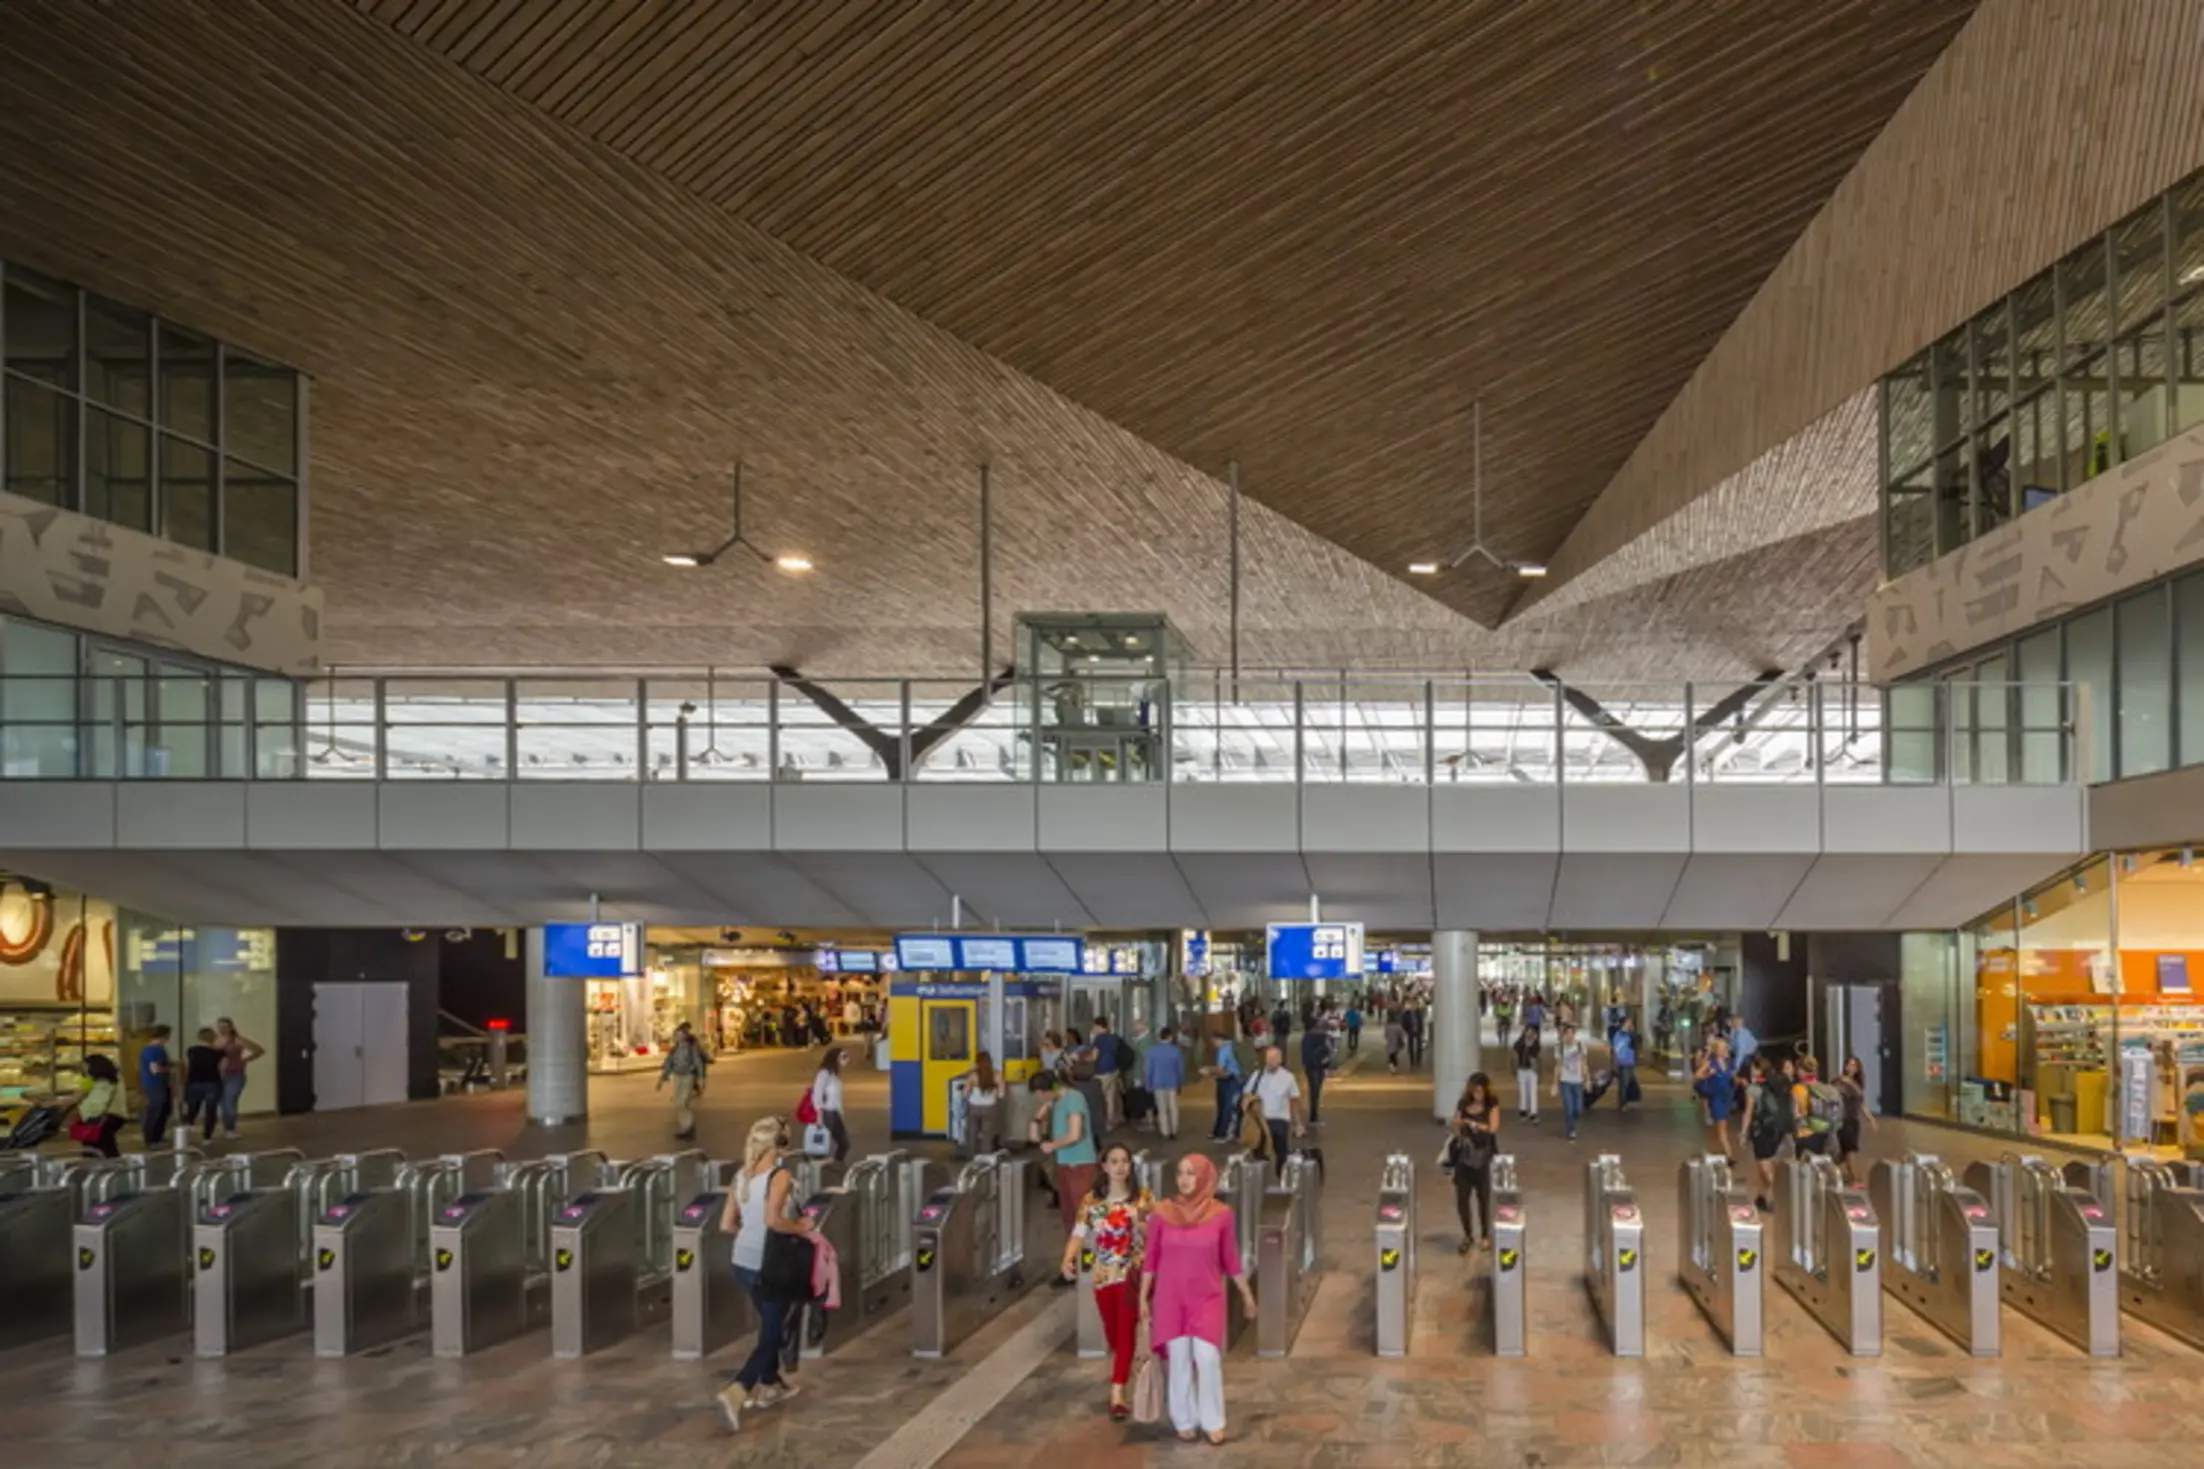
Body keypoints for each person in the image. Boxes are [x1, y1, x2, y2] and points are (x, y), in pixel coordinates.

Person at [1141, 1153, 1257, 1445]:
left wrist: (1246, 1295)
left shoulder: (1221, 1214)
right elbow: (1151, 1260)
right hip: (1170, 1299)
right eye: (1180, 1173)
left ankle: (1213, 1419)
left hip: (1207, 1298)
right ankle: (1184, 1418)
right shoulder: (1162, 1213)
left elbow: (1230, 1260)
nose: (1184, 1179)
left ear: (1205, 1177)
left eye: (1191, 1173)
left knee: (1207, 1358)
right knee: (1178, 1360)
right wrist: (1144, 1297)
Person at [716, 1116, 816, 1432]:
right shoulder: (779, 1176)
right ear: (780, 1144)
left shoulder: (740, 1177)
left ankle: (772, 1384)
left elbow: (726, 1225)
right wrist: (800, 1227)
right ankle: (738, 1389)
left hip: (741, 1263)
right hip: (768, 1264)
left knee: (772, 1319)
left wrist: (750, 1232)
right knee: (773, 1331)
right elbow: (774, 1220)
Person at [1056, 1143, 1154, 1421]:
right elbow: (1078, 1232)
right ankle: (1124, 1367)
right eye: (1114, 1161)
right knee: (1113, 1332)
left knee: (1124, 1329)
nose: (1120, 1166)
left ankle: (1117, 1393)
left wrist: (1140, 1223)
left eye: (1124, 1161)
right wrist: (1067, 1258)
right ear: (1104, 1167)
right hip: (1101, 1276)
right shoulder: (1092, 1202)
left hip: (1131, 1275)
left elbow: (1156, 1234)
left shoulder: (1143, 1199)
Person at [1031, 1070, 1098, 1230]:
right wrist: (1037, 1118)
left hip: (1080, 1162)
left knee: (1081, 1212)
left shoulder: (1074, 1098)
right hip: (1063, 1162)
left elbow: (1075, 1134)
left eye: (1040, 1094)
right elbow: (1034, 1137)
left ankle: (1087, 1250)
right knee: (1068, 1214)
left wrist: (1052, 1145)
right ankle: (1073, 1251)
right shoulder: (1056, 1103)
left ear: (1046, 1090)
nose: (1040, 1098)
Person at [1448, 1072, 1502, 1254]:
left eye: (1480, 1091)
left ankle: (1485, 1235)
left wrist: (1475, 1124)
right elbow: (1455, 1126)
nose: (1477, 1094)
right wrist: (1458, 1125)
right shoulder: (1463, 1104)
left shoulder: (1491, 1104)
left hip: (1484, 1157)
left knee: (1484, 1198)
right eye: (1474, 1090)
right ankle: (1467, 1235)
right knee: (1462, 1198)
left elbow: (1494, 1128)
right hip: (1464, 1157)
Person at [1743, 1055, 1790, 1213]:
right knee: (1765, 1163)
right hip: (1778, 1129)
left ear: (1757, 1070)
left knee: (1764, 1164)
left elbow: (1748, 1113)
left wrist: (1743, 1133)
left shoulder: (1753, 1088)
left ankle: (1775, 1196)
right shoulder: (1778, 1085)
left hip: (1761, 1131)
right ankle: (1762, 1196)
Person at [1245, 1047, 1304, 1162]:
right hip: (1260, 1121)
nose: (1271, 1062)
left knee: (1281, 1152)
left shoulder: (1288, 1077)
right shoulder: (1257, 1075)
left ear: (1280, 1060)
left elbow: (1294, 1100)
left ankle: (1281, 1173)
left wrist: (1298, 1123)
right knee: (1258, 1153)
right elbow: (1247, 1094)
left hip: (1279, 1120)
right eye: (1269, 1058)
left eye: (1274, 1058)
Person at [211, 1017, 264, 1141]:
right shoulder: (215, 1040)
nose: (222, 1029)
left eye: (225, 1026)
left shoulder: (238, 1040)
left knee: (229, 1100)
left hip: (235, 1075)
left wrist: (245, 1060)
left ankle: (230, 1129)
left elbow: (258, 1050)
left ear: (231, 1027)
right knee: (222, 1103)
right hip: (218, 1075)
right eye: (220, 1026)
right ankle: (224, 1127)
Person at [657, 1021, 710, 1140]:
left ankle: (689, 1126)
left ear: (685, 1036)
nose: (678, 1037)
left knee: (682, 1102)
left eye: (680, 1034)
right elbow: (668, 1064)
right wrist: (661, 1079)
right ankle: (685, 1127)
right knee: (678, 1102)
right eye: (676, 1035)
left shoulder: (691, 1048)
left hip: (688, 1076)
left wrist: (701, 1078)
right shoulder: (674, 1049)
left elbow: (698, 1063)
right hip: (677, 1076)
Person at [1836, 1054, 1878, 1185]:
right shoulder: (1839, 1082)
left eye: (1854, 1065)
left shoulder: (1857, 1085)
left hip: (1853, 1120)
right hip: (1843, 1119)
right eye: (1849, 1064)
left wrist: (1870, 1118)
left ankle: (1831, 1170)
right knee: (1850, 1149)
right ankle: (1854, 1177)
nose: (1851, 1067)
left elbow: (1861, 1104)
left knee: (1845, 1152)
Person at [180, 1027, 225, 1143]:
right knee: (210, 1110)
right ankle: (207, 1136)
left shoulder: (191, 1050)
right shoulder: (219, 1053)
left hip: (194, 1082)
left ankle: (187, 1130)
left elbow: (188, 1065)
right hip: (212, 1082)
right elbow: (223, 1068)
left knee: (192, 1108)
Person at [1792, 1055, 1842, 1161]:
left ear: (1801, 1070)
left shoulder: (1798, 1088)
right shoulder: (1827, 1089)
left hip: (1805, 1132)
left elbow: (1795, 1112)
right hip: (1825, 1132)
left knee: (1805, 1170)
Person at [1694, 1037, 1736, 1160]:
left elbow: (1732, 1077)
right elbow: (1697, 1075)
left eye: (1724, 1048)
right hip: (1716, 1097)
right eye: (1720, 1048)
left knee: (1722, 1125)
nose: (1723, 1051)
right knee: (1721, 1125)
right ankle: (1729, 1153)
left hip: (1726, 1096)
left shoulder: (1729, 1063)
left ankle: (1717, 1149)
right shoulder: (1711, 1063)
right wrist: (1708, 1074)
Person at [809, 1047, 850, 1164]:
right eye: (843, 1057)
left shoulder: (834, 1075)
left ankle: (835, 1163)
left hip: (834, 1112)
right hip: (827, 1113)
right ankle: (822, 1166)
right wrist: (819, 1114)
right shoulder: (824, 1073)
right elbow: (817, 1092)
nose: (845, 1060)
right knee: (825, 1142)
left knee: (843, 1143)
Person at [1145, 1026, 1186, 1140]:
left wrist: (1148, 1084)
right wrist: (1180, 1083)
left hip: (1157, 1083)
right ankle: (1174, 1130)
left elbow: (1149, 1070)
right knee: (1173, 1107)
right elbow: (1180, 1070)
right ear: (1170, 1037)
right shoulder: (1176, 1051)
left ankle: (1165, 1131)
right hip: (1172, 1082)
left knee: (1161, 1108)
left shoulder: (1152, 1051)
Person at [138, 1023, 173, 1148]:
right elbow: (155, 1069)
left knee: (161, 1110)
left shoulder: (147, 1049)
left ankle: (157, 1136)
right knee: (156, 1111)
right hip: (156, 1083)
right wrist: (170, 1069)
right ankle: (152, 1138)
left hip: (151, 1083)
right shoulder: (156, 1050)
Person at [961, 1050, 1003, 1156]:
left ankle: (972, 1158)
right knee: (987, 1135)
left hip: (974, 1107)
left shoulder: (973, 1075)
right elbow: (1002, 1094)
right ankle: (986, 1160)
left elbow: (965, 1093)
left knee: (972, 1133)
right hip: (990, 1107)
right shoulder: (997, 1075)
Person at [1205, 1031, 1245, 1141]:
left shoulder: (1223, 1050)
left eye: (1214, 1041)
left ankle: (1223, 1133)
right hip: (1239, 1080)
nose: (1213, 1044)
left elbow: (1220, 1069)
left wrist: (1208, 1070)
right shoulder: (1234, 1046)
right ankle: (1235, 1133)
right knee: (1235, 1107)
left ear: (1218, 1039)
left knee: (1227, 1107)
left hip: (1230, 1080)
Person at [1552, 1022, 1588, 1142]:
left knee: (1578, 1108)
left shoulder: (1580, 1046)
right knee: (1569, 1107)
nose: (1569, 1036)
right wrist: (1555, 1084)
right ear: (1563, 1035)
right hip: (1565, 1081)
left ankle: (1573, 1120)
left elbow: (1584, 1063)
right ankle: (1571, 1130)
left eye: (1571, 1034)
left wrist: (1587, 1079)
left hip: (1578, 1081)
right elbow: (1558, 1066)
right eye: (1567, 1034)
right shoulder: (1560, 1047)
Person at [1090, 1017, 1125, 1131]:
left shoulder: (1099, 1039)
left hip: (1101, 1071)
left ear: (1099, 1026)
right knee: (1110, 1098)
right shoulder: (1114, 1038)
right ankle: (1110, 1123)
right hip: (1114, 1070)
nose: (1093, 1029)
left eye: (1094, 1026)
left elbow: (1094, 1057)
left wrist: (1082, 1057)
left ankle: (1100, 1122)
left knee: (1099, 1097)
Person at [1298, 1018, 1333, 1128]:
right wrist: (1325, 1064)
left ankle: (1313, 1116)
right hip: (1318, 1066)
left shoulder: (1306, 1038)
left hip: (1310, 1067)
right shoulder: (1322, 1037)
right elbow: (1328, 1050)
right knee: (1315, 1092)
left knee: (1314, 1092)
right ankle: (1313, 1117)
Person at [1511, 1021, 1542, 1123]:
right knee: (1523, 1092)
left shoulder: (1536, 1044)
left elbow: (1537, 1059)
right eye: (1528, 1031)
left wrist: (1538, 1071)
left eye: (1532, 1032)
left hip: (1532, 1071)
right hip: (1522, 1070)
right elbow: (1514, 1057)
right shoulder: (1519, 1043)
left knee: (1533, 1092)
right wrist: (1514, 1069)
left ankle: (1533, 1112)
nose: (1529, 1034)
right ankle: (1523, 1110)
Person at [1611, 1018, 1640, 1112]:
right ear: (1624, 1024)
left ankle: (1625, 1102)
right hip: (1623, 1062)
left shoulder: (1629, 1034)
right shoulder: (1621, 1035)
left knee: (1628, 1083)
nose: (1630, 1024)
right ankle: (1622, 1103)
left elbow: (1636, 1043)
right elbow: (1616, 1049)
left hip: (1629, 1061)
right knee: (1624, 1083)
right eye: (1628, 1022)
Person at [1402, 1003, 1425, 1069]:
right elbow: (1404, 1022)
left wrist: (1421, 1030)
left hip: (1418, 1031)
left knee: (1419, 1046)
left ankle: (1418, 1060)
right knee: (1411, 1046)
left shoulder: (1419, 1013)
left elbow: (1421, 1022)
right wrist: (1406, 1030)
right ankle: (1412, 1060)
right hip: (1410, 1031)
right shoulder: (1406, 1014)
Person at [1384, 1010, 1408, 1074]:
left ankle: (1391, 1065)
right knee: (1394, 1055)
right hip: (1396, 1042)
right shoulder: (1398, 1025)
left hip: (1390, 1042)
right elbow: (1403, 1033)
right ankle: (1394, 1066)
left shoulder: (1387, 1026)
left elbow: (1385, 1034)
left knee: (1391, 1055)